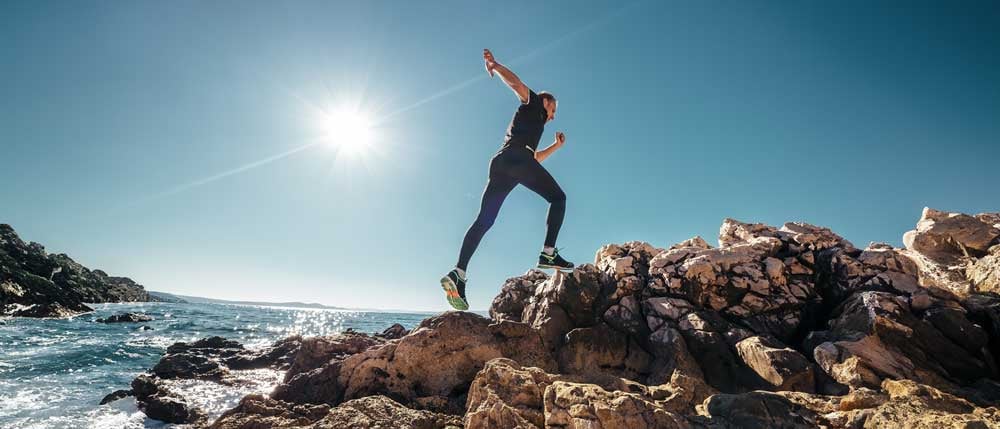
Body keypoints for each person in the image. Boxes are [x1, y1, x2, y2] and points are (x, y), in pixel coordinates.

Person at [440, 49, 574, 311]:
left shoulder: (528, 128)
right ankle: (549, 252)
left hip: (504, 163)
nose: (553, 116)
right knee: (558, 198)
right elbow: (518, 85)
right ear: (546, 103)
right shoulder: (534, 102)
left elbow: (533, 160)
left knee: (484, 220)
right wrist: (497, 66)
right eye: (554, 109)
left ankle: (459, 273)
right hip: (516, 160)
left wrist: (556, 147)